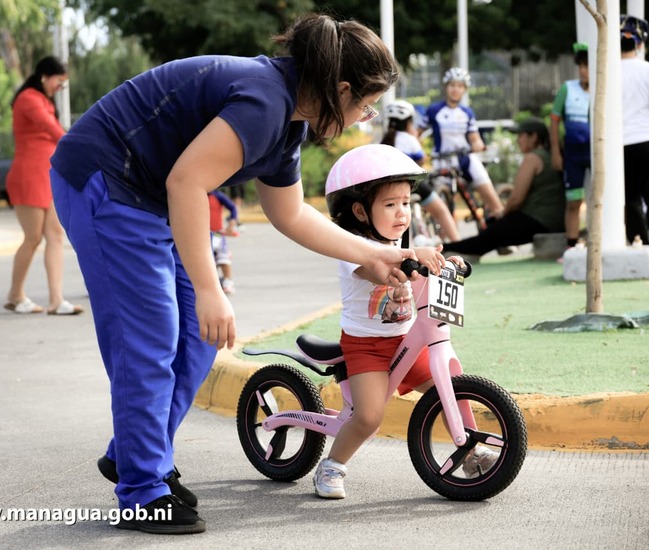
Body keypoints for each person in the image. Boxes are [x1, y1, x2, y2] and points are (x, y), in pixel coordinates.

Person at [49, 13, 420, 534]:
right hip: (105, 180)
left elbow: (289, 213)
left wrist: (371, 255)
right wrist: (208, 288)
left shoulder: (287, 121)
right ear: (339, 89)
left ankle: (134, 453)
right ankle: (140, 489)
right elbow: (187, 182)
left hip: (151, 197)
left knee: (198, 342)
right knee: (149, 337)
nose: (366, 116)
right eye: (365, 103)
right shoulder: (265, 100)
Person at [313, 143, 496, 499]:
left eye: (406, 203)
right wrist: (413, 258)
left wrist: (447, 262)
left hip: (405, 340)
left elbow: (425, 260)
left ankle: (472, 452)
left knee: (453, 390)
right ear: (361, 212)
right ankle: (331, 466)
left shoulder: (403, 238)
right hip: (366, 346)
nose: (401, 213)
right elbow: (377, 269)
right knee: (368, 417)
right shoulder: (352, 246)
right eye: (390, 204)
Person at [4, 56, 82, 316]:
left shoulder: (42, 100)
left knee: (55, 235)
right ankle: (15, 295)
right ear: (44, 76)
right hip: (29, 175)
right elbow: (53, 131)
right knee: (33, 237)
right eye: (58, 82)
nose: (59, 88)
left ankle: (57, 300)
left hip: (46, 175)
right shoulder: (28, 98)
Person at [442, 118, 565, 258]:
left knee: (488, 233)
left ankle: (444, 249)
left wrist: (502, 214)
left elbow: (516, 200)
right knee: (493, 230)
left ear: (533, 137)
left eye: (521, 136)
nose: (518, 140)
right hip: (556, 221)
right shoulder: (551, 156)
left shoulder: (533, 158)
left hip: (539, 221)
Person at [419, 67, 505, 220]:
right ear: (446, 87)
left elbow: (474, 137)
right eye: (452, 85)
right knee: (443, 204)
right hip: (442, 160)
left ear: (464, 89)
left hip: (465, 158)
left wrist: (478, 144)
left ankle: (501, 221)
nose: (455, 89)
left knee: (488, 189)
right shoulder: (434, 110)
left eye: (460, 86)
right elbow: (417, 133)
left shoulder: (467, 112)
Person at [382, 99, 460, 243]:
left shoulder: (383, 140)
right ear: (409, 122)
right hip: (412, 184)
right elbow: (421, 160)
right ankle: (458, 243)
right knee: (441, 211)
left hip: (388, 189)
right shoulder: (409, 139)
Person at [550, 42, 590, 253]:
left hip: (596, 153)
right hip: (573, 154)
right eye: (581, 66)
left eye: (587, 65)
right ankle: (572, 246)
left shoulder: (604, 89)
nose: (583, 70)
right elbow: (554, 121)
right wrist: (556, 153)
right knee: (574, 201)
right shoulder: (568, 88)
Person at [620, 14, 649, 246]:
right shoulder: (646, 70)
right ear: (639, 44)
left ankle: (639, 240)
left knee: (630, 197)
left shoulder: (606, 73)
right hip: (646, 138)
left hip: (619, 143)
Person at [208, 190, 239, 294]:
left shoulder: (216, 195)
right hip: (202, 234)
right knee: (208, 261)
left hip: (218, 234)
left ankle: (228, 281)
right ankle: (213, 283)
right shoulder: (192, 194)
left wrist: (232, 222)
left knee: (223, 258)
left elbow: (233, 208)